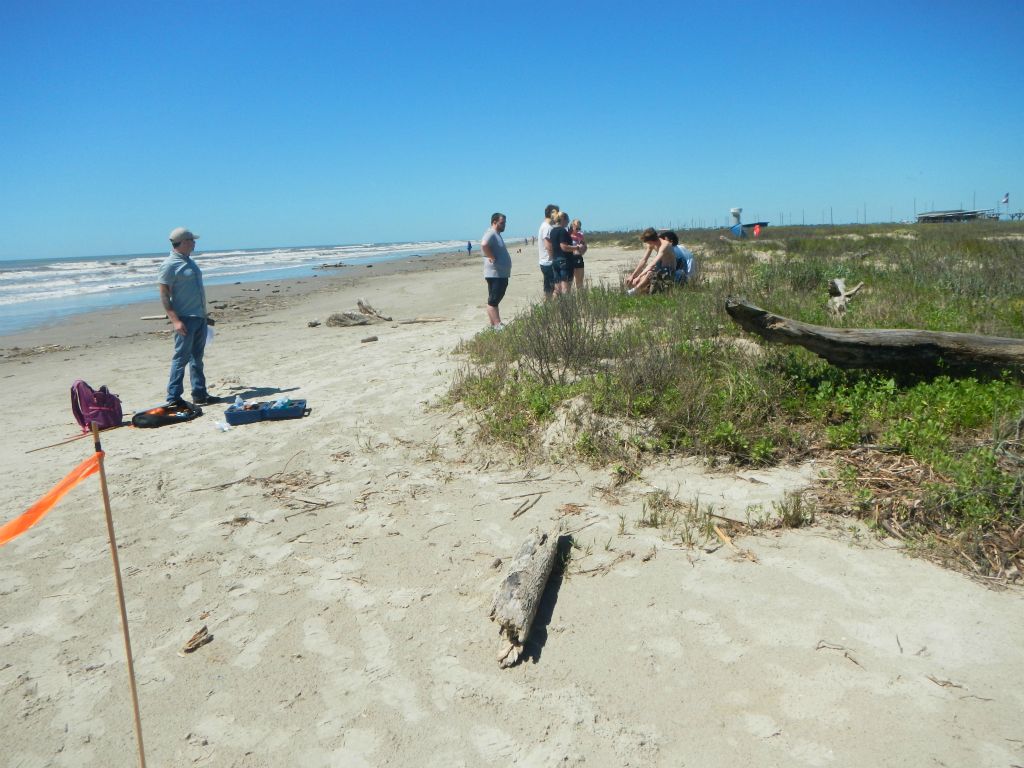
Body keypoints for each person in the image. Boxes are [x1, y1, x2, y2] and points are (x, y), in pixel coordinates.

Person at [159, 227, 215, 406]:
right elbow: (164, 295)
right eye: (192, 240)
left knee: (197, 358)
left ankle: (200, 394)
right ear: (183, 242)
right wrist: (175, 320)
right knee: (180, 358)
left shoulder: (189, 262)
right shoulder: (170, 265)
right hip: (185, 318)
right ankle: (173, 397)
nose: (195, 243)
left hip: (199, 317)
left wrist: (205, 315)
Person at [481, 212, 511, 329]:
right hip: (495, 273)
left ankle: (494, 324)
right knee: (493, 300)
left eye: (505, 223)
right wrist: (491, 257)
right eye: (502, 223)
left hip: (500, 273)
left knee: (495, 299)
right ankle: (498, 325)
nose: (504, 225)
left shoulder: (496, 234)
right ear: (494, 222)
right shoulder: (491, 233)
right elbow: (484, 244)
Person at [626, 229, 676, 295]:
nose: (648, 244)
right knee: (633, 278)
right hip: (660, 268)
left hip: (669, 270)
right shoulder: (652, 244)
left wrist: (639, 276)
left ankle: (633, 292)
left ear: (651, 241)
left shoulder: (665, 245)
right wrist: (633, 275)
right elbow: (644, 260)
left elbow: (653, 263)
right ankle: (637, 292)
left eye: (648, 242)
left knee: (649, 273)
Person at [549, 211, 577, 295]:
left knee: (557, 289)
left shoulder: (552, 231)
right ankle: (566, 307)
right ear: (563, 219)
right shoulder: (562, 231)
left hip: (555, 260)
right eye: (567, 219)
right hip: (564, 261)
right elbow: (564, 247)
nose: (568, 222)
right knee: (566, 289)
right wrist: (577, 247)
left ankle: (554, 307)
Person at [537, 203, 558, 299]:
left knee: (549, 288)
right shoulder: (547, 227)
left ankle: (549, 309)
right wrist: (554, 258)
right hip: (548, 262)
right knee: (553, 289)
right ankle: (550, 311)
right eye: (556, 213)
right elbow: (548, 246)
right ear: (552, 213)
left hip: (545, 262)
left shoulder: (545, 226)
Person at [569, 218, 588, 289]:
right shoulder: (567, 235)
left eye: (579, 228)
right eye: (576, 228)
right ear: (572, 225)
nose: (578, 230)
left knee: (579, 282)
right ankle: (568, 299)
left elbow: (585, 246)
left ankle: (580, 299)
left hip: (578, 258)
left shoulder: (580, 235)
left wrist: (581, 251)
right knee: (569, 281)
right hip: (570, 258)